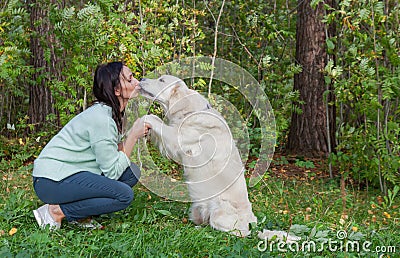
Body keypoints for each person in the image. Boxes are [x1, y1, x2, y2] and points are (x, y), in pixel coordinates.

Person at [32, 61, 150, 230]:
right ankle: (56, 211)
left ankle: (79, 215)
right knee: (124, 195)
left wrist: (132, 135)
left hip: (71, 174)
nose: (137, 82)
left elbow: (109, 154)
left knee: (131, 173)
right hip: (51, 181)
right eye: (130, 79)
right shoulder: (101, 119)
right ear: (117, 90)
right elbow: (112, 173)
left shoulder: (109, 113)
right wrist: (133, 136)